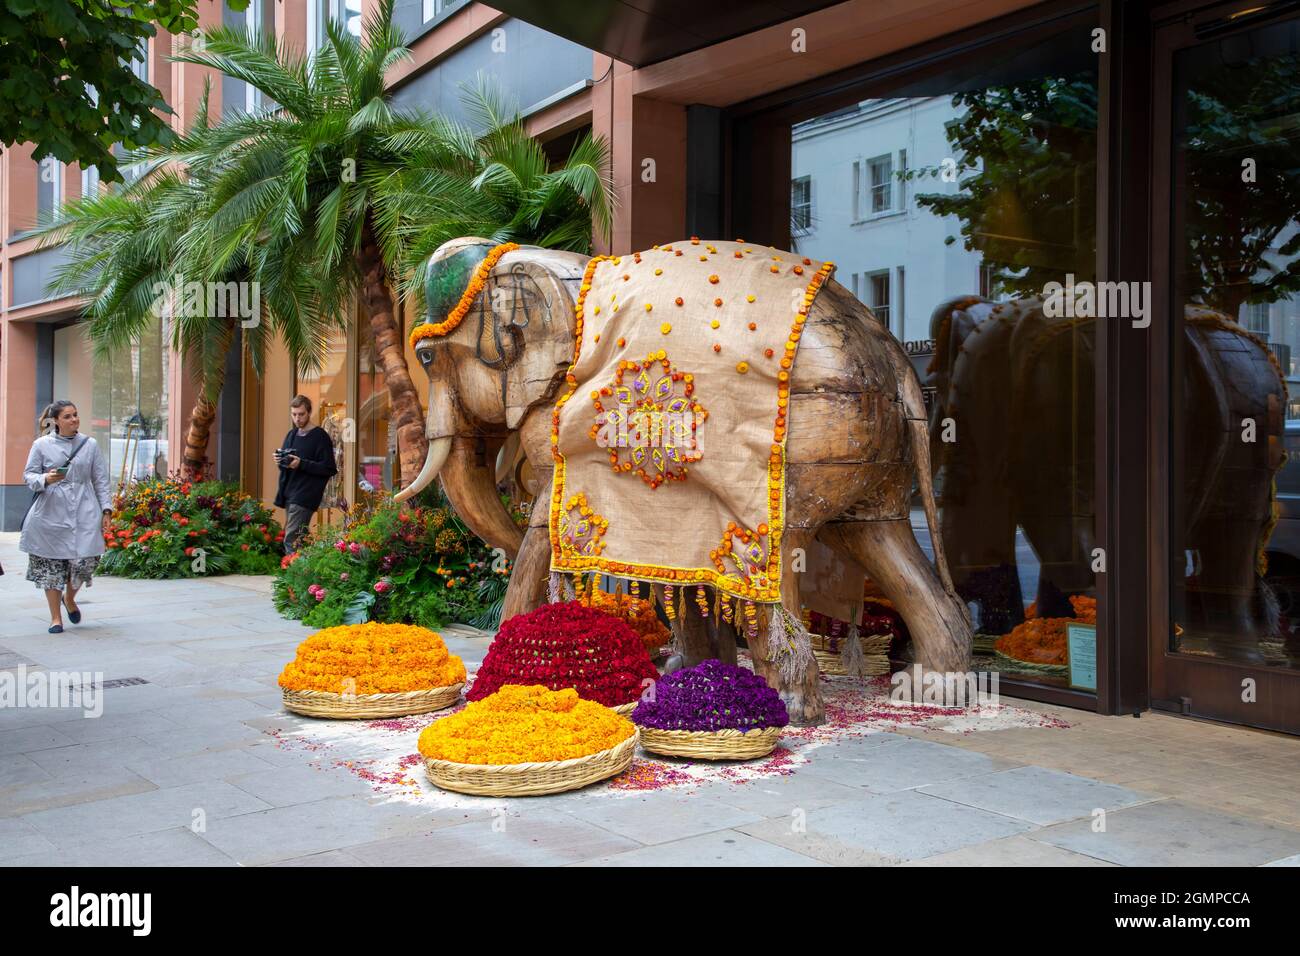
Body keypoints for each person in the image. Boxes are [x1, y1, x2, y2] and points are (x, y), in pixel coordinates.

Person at [20, 401, 113, 634]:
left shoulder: (89, 445)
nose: (74, 420)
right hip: (50, 511)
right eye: (68, 416)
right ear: (56, 421)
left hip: (85, 508)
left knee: (86, 562)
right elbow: (29, 476)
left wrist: (106, 510)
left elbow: (100, 480)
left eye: (76, 415)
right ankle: (55, 618)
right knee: (51, 565)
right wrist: (45, 479)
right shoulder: (41, 445)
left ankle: (70, 599)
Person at [274, 394, 337, 553]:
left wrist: (301, 463)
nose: (297, 418)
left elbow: (329, 468)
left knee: (291, 538)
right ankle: (310, 569)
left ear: (309, 412)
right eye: (294, 414)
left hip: (306, 494)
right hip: (289, 492)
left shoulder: (320, 436)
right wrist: (280, 461)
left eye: (301, 414)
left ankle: (292, 573)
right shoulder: (292, 435)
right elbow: (287, 466)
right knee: (299, 536)